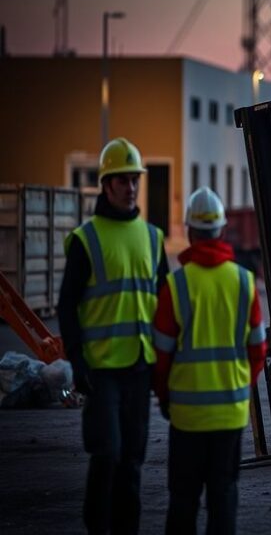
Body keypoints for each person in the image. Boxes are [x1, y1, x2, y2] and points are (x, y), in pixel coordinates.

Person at [58, 137, 168, 534]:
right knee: (107, 455)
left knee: (132, 463)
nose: (131, 187)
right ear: (106, 185)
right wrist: (77, 359)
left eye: (134, 179)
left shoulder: (153, 239)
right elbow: (66, 306)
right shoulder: (86, 240)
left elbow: (164, 307)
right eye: (122, 180)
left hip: (139, 367)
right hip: (101, 370)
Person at [152, 186, 267, 534]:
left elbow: (160, 357)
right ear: (221, 230)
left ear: (189, 231)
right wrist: (240, 388)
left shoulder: (176, 286)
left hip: (186, 417)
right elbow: (258, 351)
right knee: (224, 496)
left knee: (183, 500)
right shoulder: (244, 283)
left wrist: (166, 397)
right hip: (230, 415)